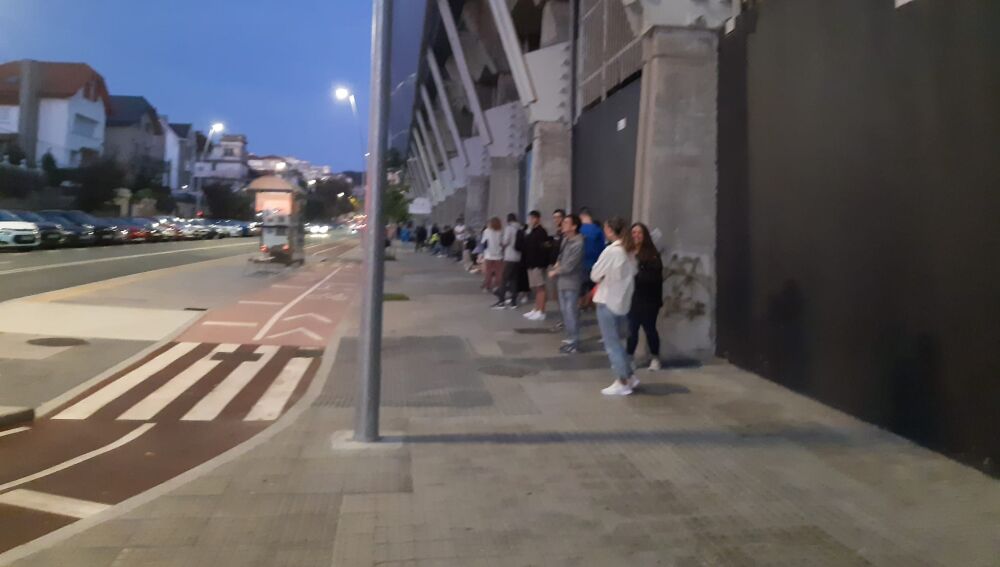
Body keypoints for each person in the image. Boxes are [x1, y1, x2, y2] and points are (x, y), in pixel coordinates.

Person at [591, 217, 639, 395]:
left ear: (610, 230)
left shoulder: (611, 251)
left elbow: (595, 275)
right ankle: (630, 376)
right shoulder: (629, 251)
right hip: (622, 302)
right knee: (618, 343)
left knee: (612, 344)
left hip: (606, 301)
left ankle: (622, 381)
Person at [626, 223, 664, 371]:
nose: (636, 235)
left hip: (648, 299)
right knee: (632, 329)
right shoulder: (627, 252)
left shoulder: (652, 254)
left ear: (645, 235)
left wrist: (636, 273)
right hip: (632, 299)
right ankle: (629, 358)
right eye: (633, 232)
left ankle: (655, 357)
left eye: (639, 233)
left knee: (649, 329)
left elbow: (654, 278)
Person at [548, 214, 584, 353]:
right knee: (565, 311)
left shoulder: (578, 243)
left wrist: (556, 271)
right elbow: (561, 256)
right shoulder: (566, 240)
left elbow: (570, 265)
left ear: (574, 226)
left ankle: (574, 342)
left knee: (570, 311)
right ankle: (570, 337)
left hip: (571, 282)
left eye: (566, 222)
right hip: (562, 281)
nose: (563, 224)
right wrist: (557, 263)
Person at [521, 211, 550, 321]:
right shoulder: (531, 231)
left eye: (532, 218)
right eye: (530, 218)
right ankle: (536, 308)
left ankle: (541, 311)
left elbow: (544, 249)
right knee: (535, 287)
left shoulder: (541, 232)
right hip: (531, 263)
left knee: (540, 287)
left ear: (537, 219)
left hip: (538, 264)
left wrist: (542, 263)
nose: (531, 221)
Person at [492, 213, 523, 310]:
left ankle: (501, 302)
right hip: (518, 257)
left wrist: (501, 242)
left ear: (508, 220)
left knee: (504, 279)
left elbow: (505, 242)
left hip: (509, 257)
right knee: (514, 280)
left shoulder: (509, 228)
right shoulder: (520, 228)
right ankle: (513, 302)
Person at [578, 208, 606, 308]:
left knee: (580, 288)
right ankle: (590, 305)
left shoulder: (578, 229)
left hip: (580, 264)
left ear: (581, 216)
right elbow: (603, 248)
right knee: (593, 287)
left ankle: (580, 307)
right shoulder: (598, 230)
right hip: (595, 263)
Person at [481, 217, 504, 293]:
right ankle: (497, 286)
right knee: (498, 273)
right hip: (498, 255)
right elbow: (502, 243)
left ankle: (487, 287)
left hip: (488, 255)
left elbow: (483, 242)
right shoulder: (500, 232)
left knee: (488, 272)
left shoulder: (486, 231)